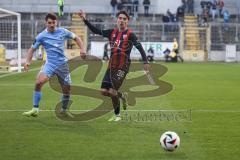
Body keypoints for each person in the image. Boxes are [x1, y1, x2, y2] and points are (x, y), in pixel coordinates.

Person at [78, 10, 150, 121]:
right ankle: (121, 96)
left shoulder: (131, 35)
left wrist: (145, 62)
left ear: (127, 21)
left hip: (123, 67)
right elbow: (95, 30)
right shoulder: (111, 32)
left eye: (124, 19)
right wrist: (84, 19)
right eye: (120, 18)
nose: (121, 20)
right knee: (103, 91)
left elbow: (139, 47)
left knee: (112, 91)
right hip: (111, 66)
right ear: (117, 20)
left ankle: (117, 116)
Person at [22, 13, 86, 117]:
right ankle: (35, 109)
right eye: (49, 23)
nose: (52, 25)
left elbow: (77, 38)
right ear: (46, 23)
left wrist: (82, 49)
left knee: (67, 89)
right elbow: (32, 49)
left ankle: (64, 110)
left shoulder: (63, 31)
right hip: (50, 64)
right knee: (39, 82)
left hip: (62, 65)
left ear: (56, 22)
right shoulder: (41, 36)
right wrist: (27, 62)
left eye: (53, 22)